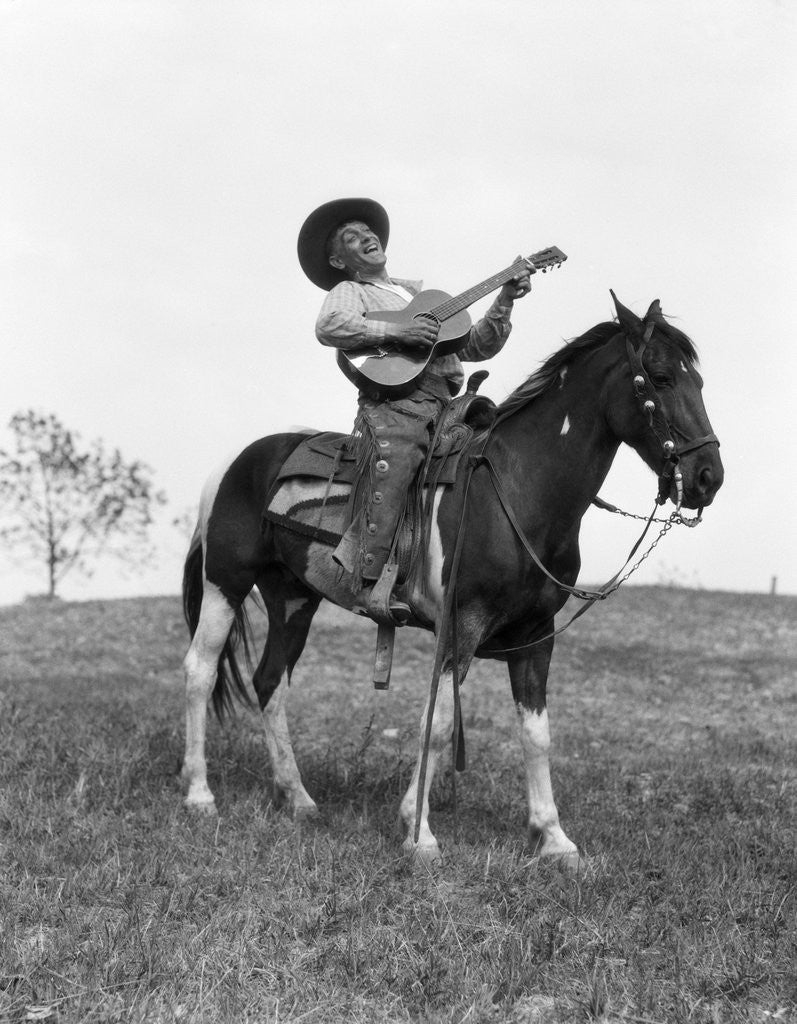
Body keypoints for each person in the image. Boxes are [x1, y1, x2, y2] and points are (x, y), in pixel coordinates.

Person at [297, 197, 532, 622]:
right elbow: (329, 327)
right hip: (397, 407)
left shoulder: (416, 295)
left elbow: (478, 344)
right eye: (352, 237)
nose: (367, 236)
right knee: (400, 458)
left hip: (447, 402)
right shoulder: (349, 291)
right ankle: (369, 582)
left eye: (368, 231)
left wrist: (506, 298)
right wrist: (399, 329)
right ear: (337, 259)